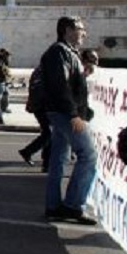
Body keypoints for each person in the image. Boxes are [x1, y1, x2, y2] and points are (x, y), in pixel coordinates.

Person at [40, 16, 98, 225]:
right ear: (67, 30)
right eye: (81, 29)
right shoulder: (59, 52)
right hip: (65, 113)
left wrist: (83, 74)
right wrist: (73, 114)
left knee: (58, 160)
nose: (84, 33)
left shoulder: (68, 53)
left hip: (62, 111)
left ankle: (53, 206)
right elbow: (60, 85)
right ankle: (73, 205)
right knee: (89, 156)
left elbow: (69, 82)